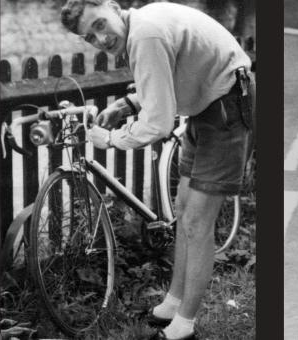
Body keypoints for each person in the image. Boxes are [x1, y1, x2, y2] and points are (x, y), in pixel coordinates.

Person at [60, 1, 254, 339]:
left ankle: (185, 325)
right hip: (206, 105)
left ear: (113, 7)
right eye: (90, 37)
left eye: (100, 25)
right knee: (183, 211)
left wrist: (110, 139)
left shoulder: (145, 34)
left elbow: (159, 124)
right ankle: (172, 304)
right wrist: (129, 103)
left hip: (226, 106)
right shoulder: (142, 25)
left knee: (197, 221)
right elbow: (174, 70)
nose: (100, 39)